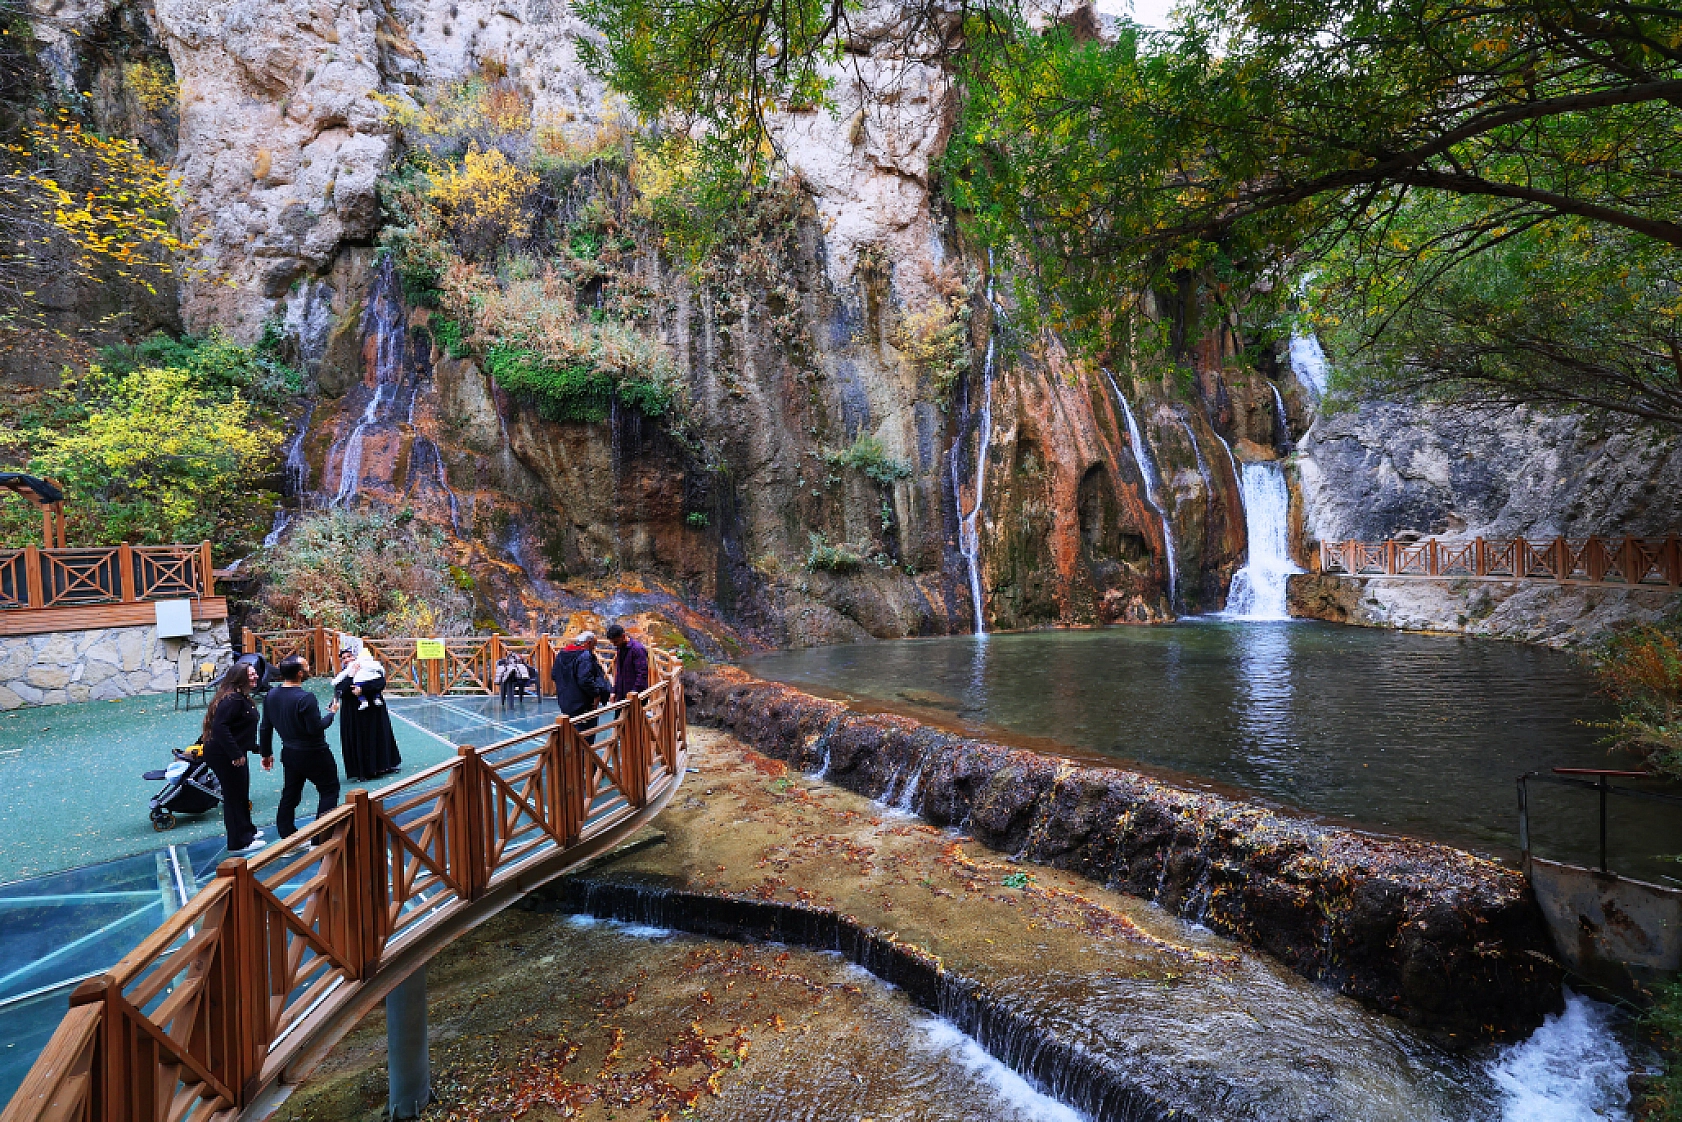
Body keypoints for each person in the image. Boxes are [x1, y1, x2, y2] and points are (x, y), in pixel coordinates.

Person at [260, 654, 341, 839]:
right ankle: (322, 837)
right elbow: (315, 729)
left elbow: (265, 727)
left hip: (289, 753)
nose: (308, 669)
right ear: (299, 673)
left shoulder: (271, 694)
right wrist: (331, 715)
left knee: (290, 794)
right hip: (314, 753)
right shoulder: (306, 698)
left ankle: (287, 836)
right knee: (329, 790)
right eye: (305, 667)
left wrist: (266, 753)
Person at [201, 661, 272, 854]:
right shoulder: (232, 700)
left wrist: (256, 748)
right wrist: (235, 754)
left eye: (255, 673)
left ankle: (247, 830)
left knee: (241, 794)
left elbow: (239, 729)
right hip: (224, 754)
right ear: (239, 677)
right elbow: (220, 728)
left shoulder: (242, 698)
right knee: (233, 796)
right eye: (250, 674)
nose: (255, 677)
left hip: (234, 752)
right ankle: (238, 842)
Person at [333, 646, 403, 781]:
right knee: (361, 739)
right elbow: (340, 690)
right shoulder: (343, 674)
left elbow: (380, 682)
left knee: (380, 735)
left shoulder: (370, 667)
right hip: (355, 713)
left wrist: (362, 689)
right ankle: (364, 771)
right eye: (344, 658)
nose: (347, 660)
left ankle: (385, 765)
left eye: (349, 656)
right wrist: (351, 675)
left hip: (374, 709)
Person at [551, 631, 610, 721]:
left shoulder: (562, 654)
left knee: (571, 731)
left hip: (565, 703)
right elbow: (585, 680)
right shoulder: (585, 656)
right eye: (594, 645)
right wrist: (596, 694)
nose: (594, 649)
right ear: (588, 643)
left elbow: (554, 675)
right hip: (584, 704)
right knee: (586, 732)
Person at [606, 624, 649, 703]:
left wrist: (634, 691)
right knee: (619, 715)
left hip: (636, 696)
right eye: (612, 642)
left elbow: (642, 673)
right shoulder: (620, 648)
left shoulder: (637, 649)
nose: (614, 645)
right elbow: (619, 672)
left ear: (623, 636)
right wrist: (614, 690)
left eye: (615, 641)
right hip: (622, 695)